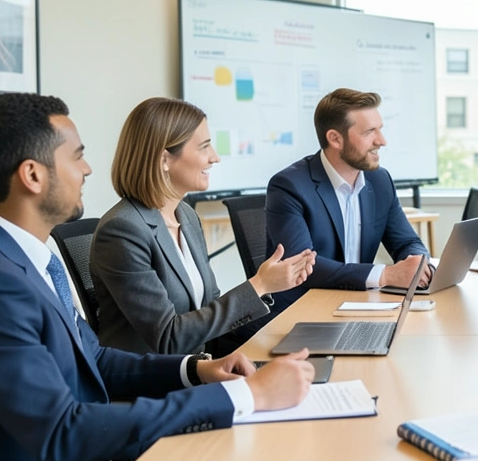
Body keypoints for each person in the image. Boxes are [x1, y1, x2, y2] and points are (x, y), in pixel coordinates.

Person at [0, 93, 316, 461]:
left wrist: (198, 371)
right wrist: (244, 396)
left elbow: (96, 360)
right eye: (78, 156)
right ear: (33, 175)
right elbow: (62, 434)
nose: (87, 170)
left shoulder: (20, 262)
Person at [265, 87, 427, 461]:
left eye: (381, 129)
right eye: (370, 131)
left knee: (418, 365)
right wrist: (383, 276)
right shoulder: (289, 185)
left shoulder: (379, 180)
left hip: (361, 307)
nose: (381, 140)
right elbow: (304, 267)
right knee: (359, 379)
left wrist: (416, 261)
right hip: (306, 316)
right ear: (335, 139)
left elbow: (405, 240)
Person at [92, 97, 316, 357]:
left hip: (202, 364)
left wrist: (273, 296)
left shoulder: (185, 215)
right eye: (204, 147)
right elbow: (168, 338)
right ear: (164, 159)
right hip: (155, 383)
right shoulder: (123, 230)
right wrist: (259, 286)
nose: (215, 158)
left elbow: (211, 310)